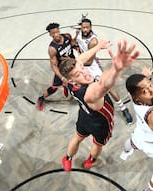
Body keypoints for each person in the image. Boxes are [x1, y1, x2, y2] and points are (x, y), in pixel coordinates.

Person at [60, 39, 140, 171]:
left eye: (83, 68)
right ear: (73, 81)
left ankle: (67, 158)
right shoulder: (89, 94)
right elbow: (104, 85)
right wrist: (116, 69)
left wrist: (98, 47)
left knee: (77, 137)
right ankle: (90, 159)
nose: (85, 73)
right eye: (78, 74)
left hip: (84, 117)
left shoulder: (70, 81)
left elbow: (80, 60)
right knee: (98, 145)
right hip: (101, 123)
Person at [74, 18, 134, 124]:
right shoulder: (78, 33)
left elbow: (89, 61)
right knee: (87, 89)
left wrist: (78, 62)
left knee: (109, 88)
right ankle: (92, 109)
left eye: (87, 27)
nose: (85, 29)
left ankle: (124, 109)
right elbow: (75, 41)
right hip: (83, 64)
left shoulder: (93, 41)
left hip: (92, 66)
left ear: (91, 27)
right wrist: (76, 48)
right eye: (83, 27)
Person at [37, 23, 76, 111]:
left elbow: (72, 43)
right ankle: (42, 98)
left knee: (78, 79)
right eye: (53, 33)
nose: (56, 34)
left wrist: (76, 43)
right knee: (54, 88)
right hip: (62, 69)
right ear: (50, 34)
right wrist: (62, 78)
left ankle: (67, 87)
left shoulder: (67, 36)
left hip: (73, 63)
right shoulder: (52, 49)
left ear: (59, 31)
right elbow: (54, 66)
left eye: (57, 32)